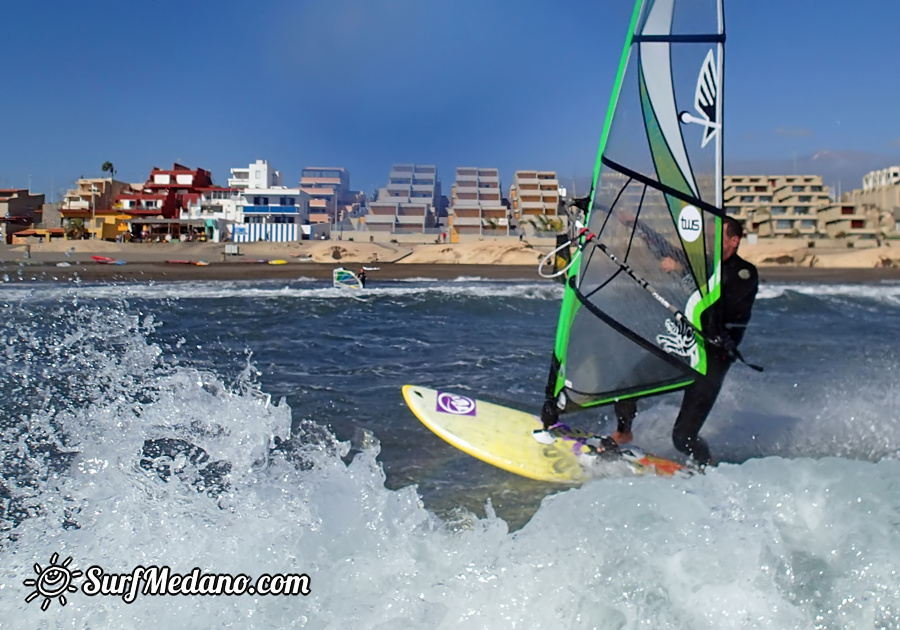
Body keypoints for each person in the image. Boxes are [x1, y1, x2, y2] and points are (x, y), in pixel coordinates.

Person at [611, 215, 758, 466]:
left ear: (734, 240)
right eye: (708, 236)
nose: (709, 241)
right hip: (687, 347)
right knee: (627, 385)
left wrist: (683, 272)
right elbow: (666, 250)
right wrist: (637, 225)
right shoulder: (705, 266)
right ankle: (623, 433)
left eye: (715, 237)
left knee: (683, 437)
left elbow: (719, 299)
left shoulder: (744, 273)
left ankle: (706, 467)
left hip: (713, 359)